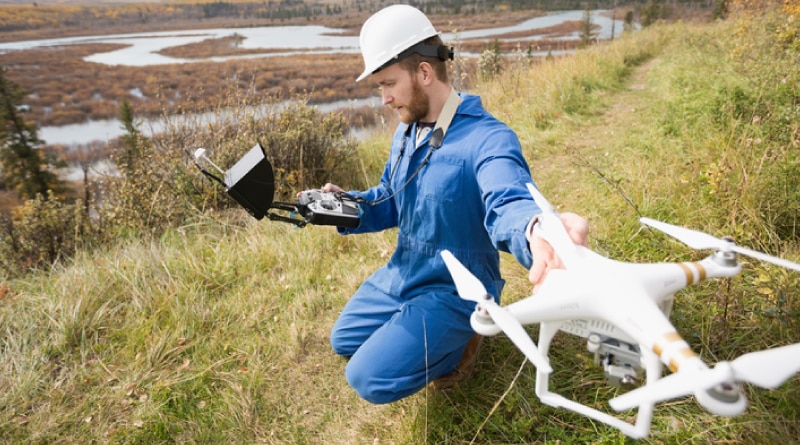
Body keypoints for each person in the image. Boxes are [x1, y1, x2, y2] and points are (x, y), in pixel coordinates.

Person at [322, 4, 589, 404]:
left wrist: (536, 229)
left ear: (424, 73)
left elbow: (508, 197)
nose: (384, 98)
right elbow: (390, 199)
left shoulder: (488, 139)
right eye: (380, 87)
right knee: (343, 340)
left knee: (366, 377)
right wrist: (349, 206)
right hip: (406, 273)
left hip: (455, 289)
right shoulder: (406, 132)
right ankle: (418, 329)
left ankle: (464, 342)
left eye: (389, 84)